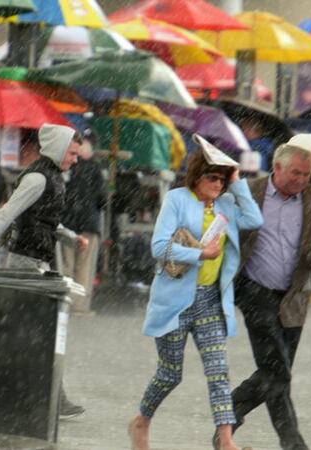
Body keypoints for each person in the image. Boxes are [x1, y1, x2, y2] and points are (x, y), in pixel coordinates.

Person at [128, 136, 263, 450]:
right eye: (212, 177)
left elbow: (256, 219)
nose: (218, 184)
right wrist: (200, 255)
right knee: (170, 374)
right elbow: (159, 247)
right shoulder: (177, 199)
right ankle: (142, 420)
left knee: (219, 373)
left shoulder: (226, 204)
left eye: (222, 178)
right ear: (197, 176)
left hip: (210, 302)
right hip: (174, 301)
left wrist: (238, 181)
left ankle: (226, 441)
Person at [0, 123, 86, 419]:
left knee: (37, 330)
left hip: (35, 261)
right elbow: (7, 213)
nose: (76, 158)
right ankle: (48, 397)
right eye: (72, 152)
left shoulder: (52, 175)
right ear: (58, 149)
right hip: (24, 262)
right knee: (37, 331)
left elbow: (44, 221)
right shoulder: (38, 178)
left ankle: (51, 397)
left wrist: (70, 236)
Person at [229, 141, 311, 450]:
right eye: (296, 173)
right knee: (279, 371)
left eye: (307, 174)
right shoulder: (249, 192)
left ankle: (229, 410)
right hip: (253, 290)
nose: (302, 180)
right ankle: (294, 445)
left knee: (275, 374)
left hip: (293, 300)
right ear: (277, 167)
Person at [61, 135, 106, 315]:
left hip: (67, 222)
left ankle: (63, 303)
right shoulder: (95, 169)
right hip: (89, 224)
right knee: (84, 267)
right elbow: (102, 200)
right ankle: (79, 306)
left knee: (65, 264)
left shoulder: (66, 167)